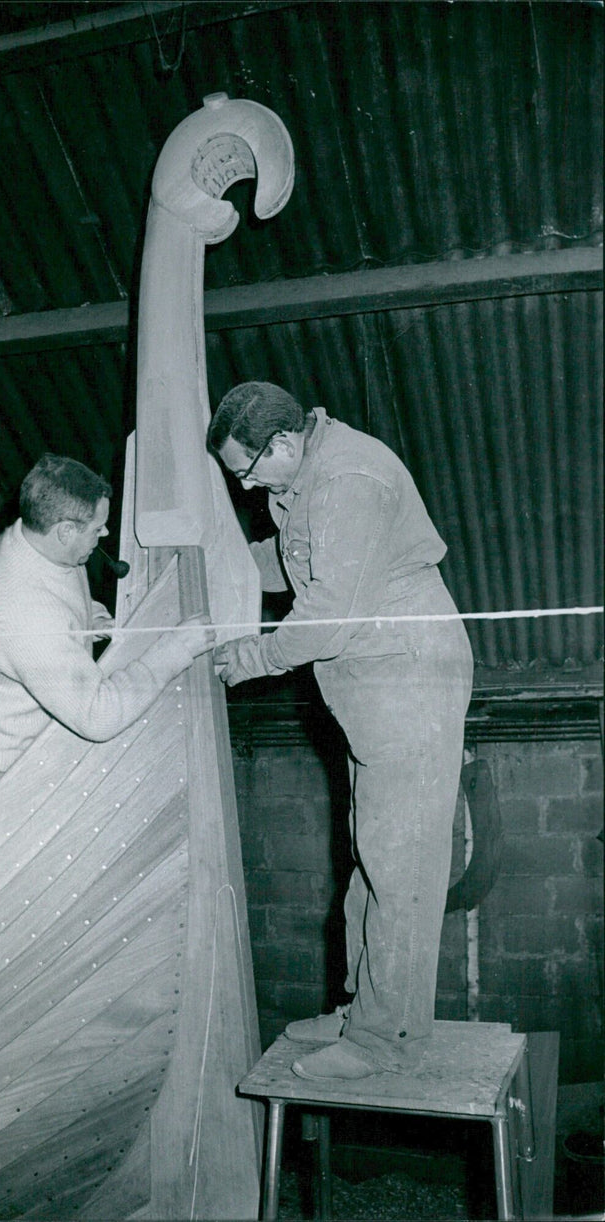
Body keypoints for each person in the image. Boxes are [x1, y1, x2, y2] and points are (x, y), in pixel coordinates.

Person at [208, 382, 473, 1080]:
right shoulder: (304, 475)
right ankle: (363, 1011)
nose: (244, 483)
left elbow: (329, 608)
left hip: (407, 671)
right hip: (371, 679)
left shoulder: (350, 479)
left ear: (285, 443)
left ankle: (386, 1037)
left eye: (246, 469)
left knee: (400, 857)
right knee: (372, 848)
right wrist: (216, 570)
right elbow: (293, 560)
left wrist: (254, 655)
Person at [0, 452, 213, 818]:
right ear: (65, 530)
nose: (105, 534)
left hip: (6, 726)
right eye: (97, 528)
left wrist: (87, 619)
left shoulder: (37, 541)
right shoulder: (26, 614)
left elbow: (59, 592)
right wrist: (174, 651)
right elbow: (97, 717)